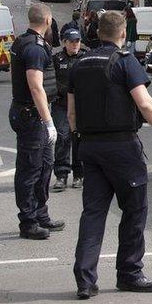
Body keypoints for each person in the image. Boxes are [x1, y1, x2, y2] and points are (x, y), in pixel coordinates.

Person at [67, 11, 152, 299]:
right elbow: (145, 104)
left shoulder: (79, 64)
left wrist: (86, 137)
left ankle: (85, 279)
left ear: (97, 33)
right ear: (122, 34)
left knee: (93, 212)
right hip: (121, 147)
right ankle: (129, 273)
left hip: (89, 146)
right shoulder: (125, 61)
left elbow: (71, 114)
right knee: (134, 210)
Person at [9, 3, 66, 240]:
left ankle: (40, 214)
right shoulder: (34, 48)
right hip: (32, 115)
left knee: (45, 166)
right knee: (30, 169)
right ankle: (28, 221)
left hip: (32, 114)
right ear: (48, 20)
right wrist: (48, 121)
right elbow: (36, 86)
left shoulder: (25, 42)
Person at [51, 26, 87, 192]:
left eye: (77, 41)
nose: (75, 44)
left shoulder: (86, 58)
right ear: (64, 42)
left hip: (81, 106)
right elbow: (50, 81)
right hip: (61, 105)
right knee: (63, 136)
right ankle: (61, 174)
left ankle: (79, 174)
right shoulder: (57, 59)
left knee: (79, 138)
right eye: (72, 42)